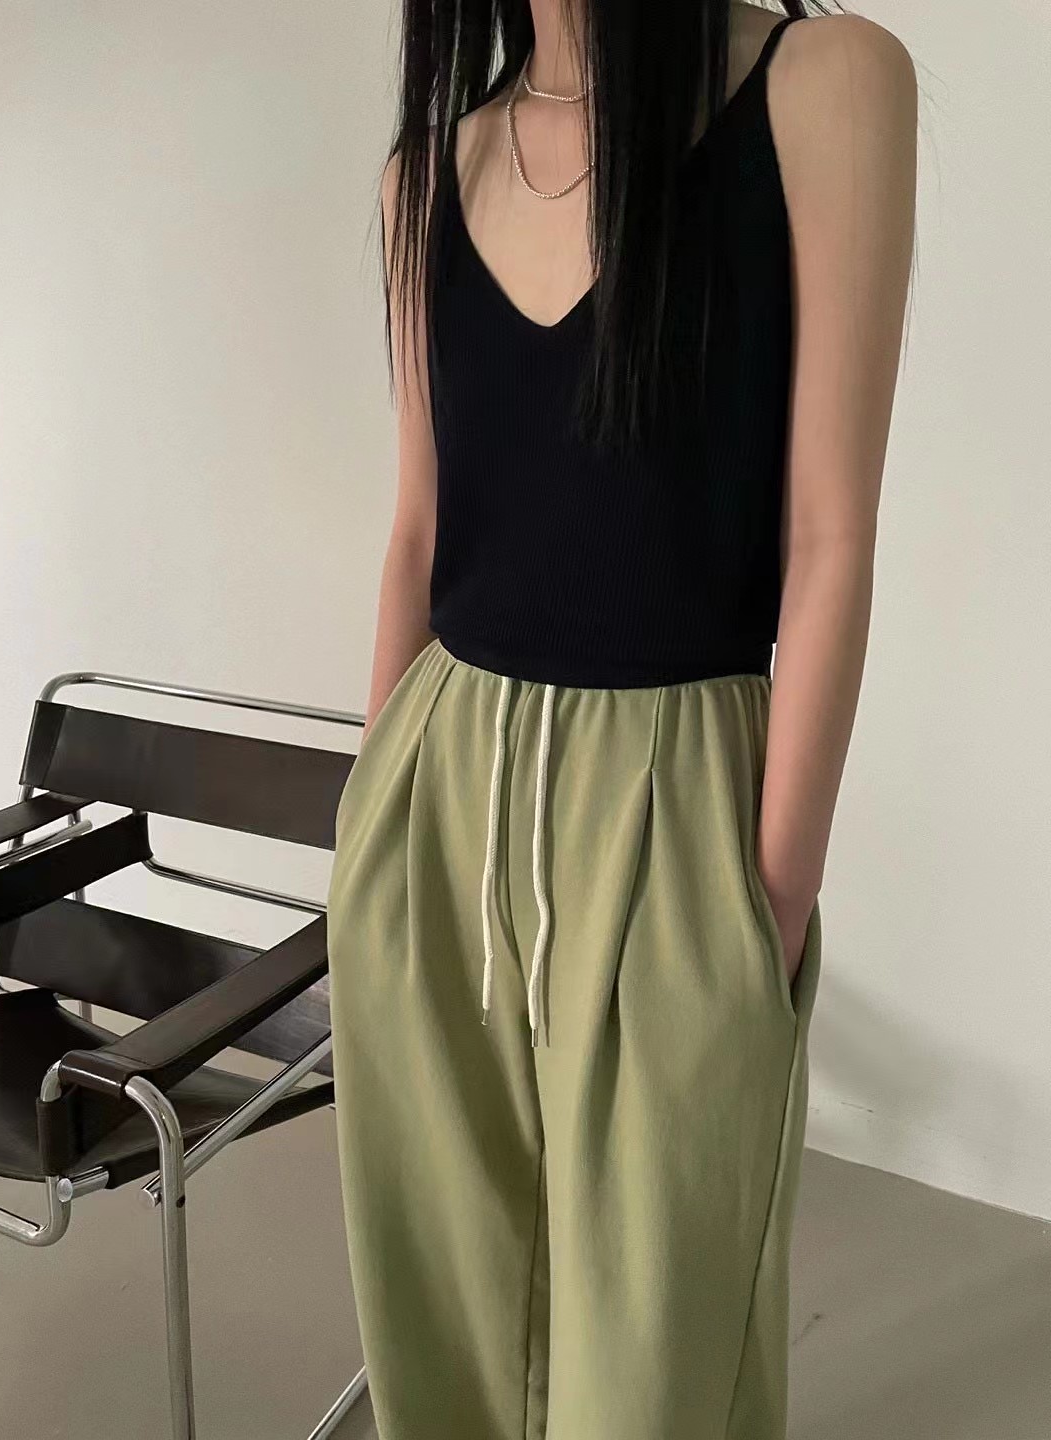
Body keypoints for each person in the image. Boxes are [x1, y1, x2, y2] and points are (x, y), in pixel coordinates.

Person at [327, 1, 917, 1434]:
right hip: (437, 799)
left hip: (676, 795)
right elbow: (419, 530)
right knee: (442, 1327)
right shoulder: (425, 176)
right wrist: (367, 843)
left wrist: (766, 904)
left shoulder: (820, 83)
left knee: (661, 1359)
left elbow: (830, 534)